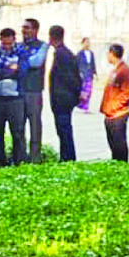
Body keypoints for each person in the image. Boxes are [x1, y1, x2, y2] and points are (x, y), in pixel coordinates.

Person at [0, 28, 27, 166]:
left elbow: (21, 73)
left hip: (14, 99)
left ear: (14, 40)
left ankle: (19, 162)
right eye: (4, 43)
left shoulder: (21, 55)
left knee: (17, 134)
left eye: (9, 43)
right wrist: (8, 71)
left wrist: (0, 72)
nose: (7, 46)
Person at [47, 25, 82, 162]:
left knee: (64, 130)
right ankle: (66, 156)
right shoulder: (65, 53)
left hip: (63, 99)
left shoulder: (62, 54)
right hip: (64, 98)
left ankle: (67, 158)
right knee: (63, 130)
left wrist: (74, 94)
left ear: (51, 37)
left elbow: (69, 78)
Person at [18, 18, 49, 163]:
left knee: (35, 125)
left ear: (35, 30)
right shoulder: (18, 46)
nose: (24, 30)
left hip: (34, 91)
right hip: (19, 91)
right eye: (23, 27)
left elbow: (36, 62)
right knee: (18, 126)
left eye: (27, 28)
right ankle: (20, 157)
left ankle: (35, 158)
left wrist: (20, 62)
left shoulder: (42, 46)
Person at [101, 44, 129, 162]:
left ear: (112, 54)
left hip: (118, 114)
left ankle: (122, 165)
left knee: (119, 145)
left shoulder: (124, 70)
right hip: (110, 114)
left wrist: (114, 107)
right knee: (113, 145)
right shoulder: (116, 69)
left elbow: (126, 93)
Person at [77, 37, 97, 111]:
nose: (88, 44)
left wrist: (95, 73)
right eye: (86, 42)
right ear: (82, 43)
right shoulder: (80, 54)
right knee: (83, 91)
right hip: (83, 74)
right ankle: (81, 105)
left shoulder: (91, 53)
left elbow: (93, 64)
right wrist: (79, 73)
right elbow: (77, 64)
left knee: (89, 90)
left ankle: (86, 106)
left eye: (88, 42)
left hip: (89, 74)